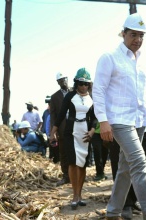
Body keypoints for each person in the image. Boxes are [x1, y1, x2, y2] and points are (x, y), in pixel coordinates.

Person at [92, 13, 146, 220]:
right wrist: (103, 120)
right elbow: (98, 90)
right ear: (123, 33)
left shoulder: (141, 64)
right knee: (139, 164)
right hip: (118, 121)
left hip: (138, 122)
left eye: (141, 36)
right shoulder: (109, 58)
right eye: (133, 34)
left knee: (126, 169)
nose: (138, 40)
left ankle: (113, 211)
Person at [50, 68, 96, 210]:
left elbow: (94, 118)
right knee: (72, 163)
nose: (83, 86)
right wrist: (53, 131)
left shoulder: (92, 98)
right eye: (80, 83)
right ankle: (74, 195)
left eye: (86, 84)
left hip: (85, 134)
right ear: (76, 83)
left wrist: (92, 131)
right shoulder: (70, 96)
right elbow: (61, 115)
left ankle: (80, 194)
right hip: (71, 132)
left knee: (82, 164)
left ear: (89, 85)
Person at [49, 72, 71, 186]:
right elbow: (53, 116)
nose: (63, 82)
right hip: (62, 128)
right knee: (63, 153)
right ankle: (66, 176)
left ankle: (76, 175)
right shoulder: (55, 97)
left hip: (75, 127)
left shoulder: (75, 92)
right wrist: (53, 131)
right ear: (58, 83)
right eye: (61, 80)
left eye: (64, 79)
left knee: (76, 152)